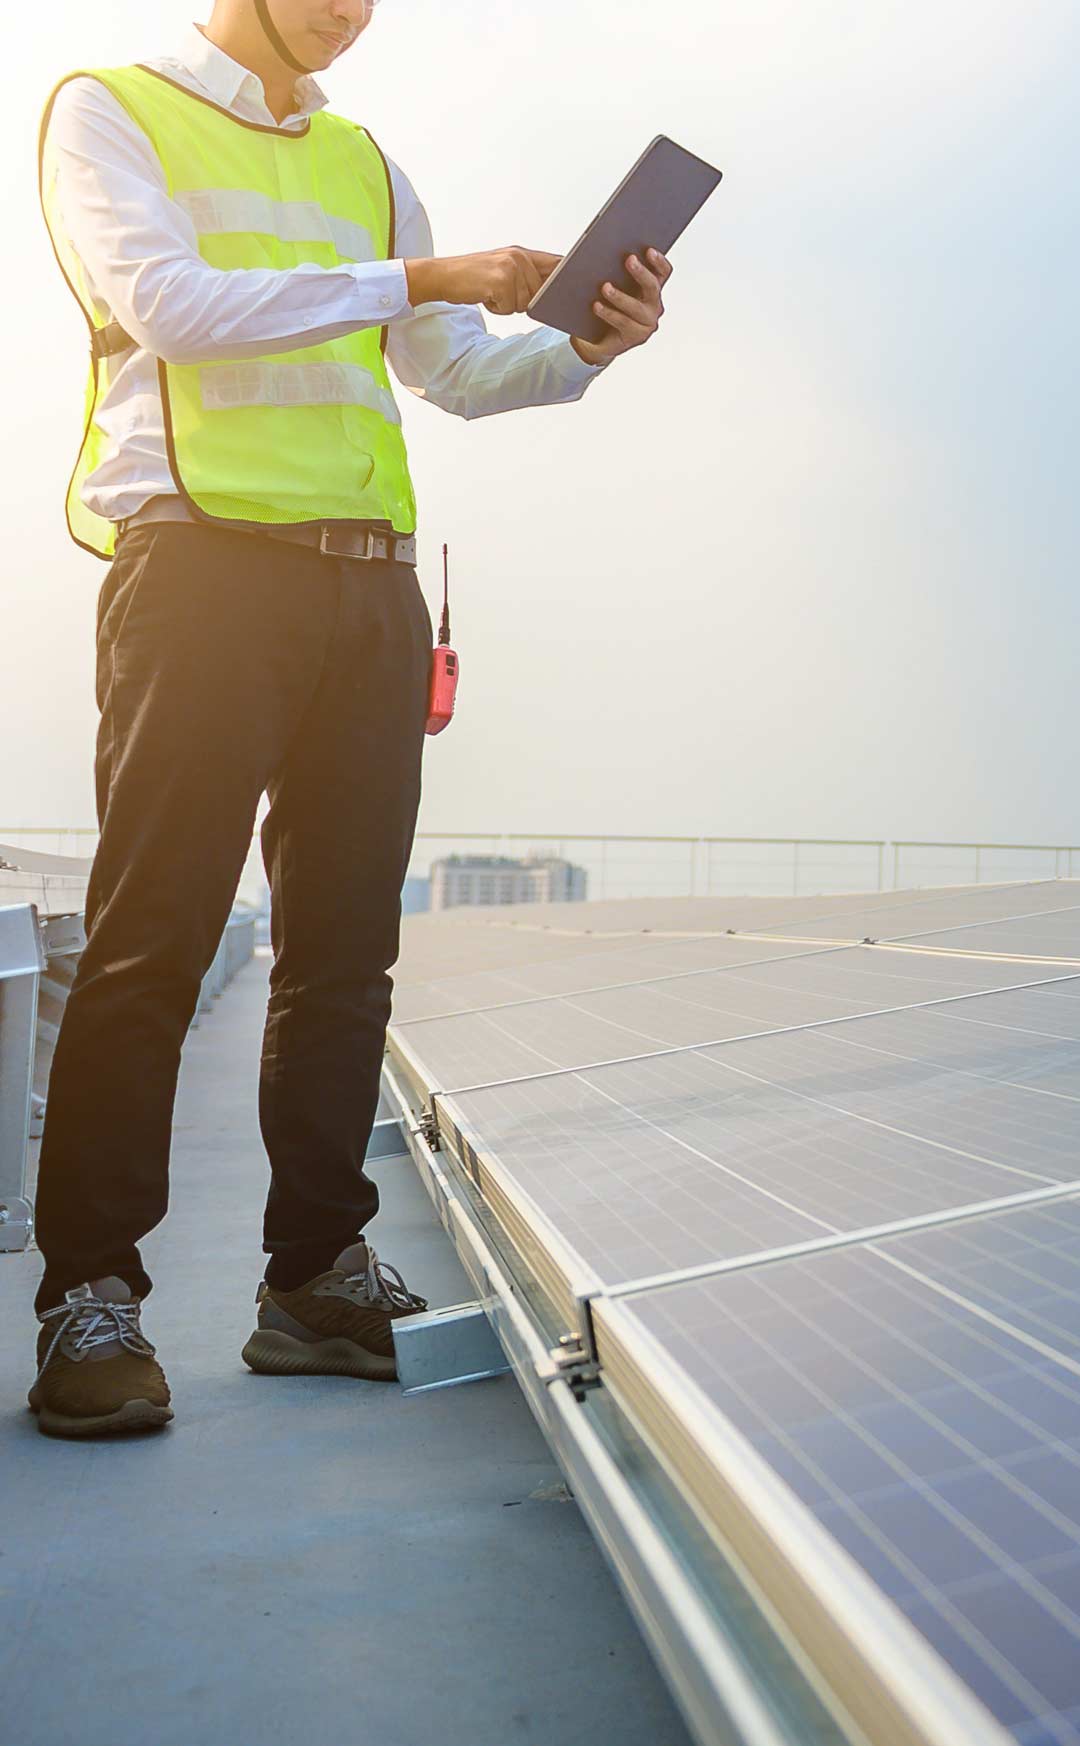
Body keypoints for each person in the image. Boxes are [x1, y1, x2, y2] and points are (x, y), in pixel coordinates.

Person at [31, 0, 672, 1438]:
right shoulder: (107, 108)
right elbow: (170, 307)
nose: (353, 9)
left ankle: (314, 1276)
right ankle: (92, 1297)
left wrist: (588, 346)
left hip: (369, 590)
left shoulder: (370, 164)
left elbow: (453, 370)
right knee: (152, 940)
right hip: (198, 571)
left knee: (342, 953)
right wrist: (421, 270)